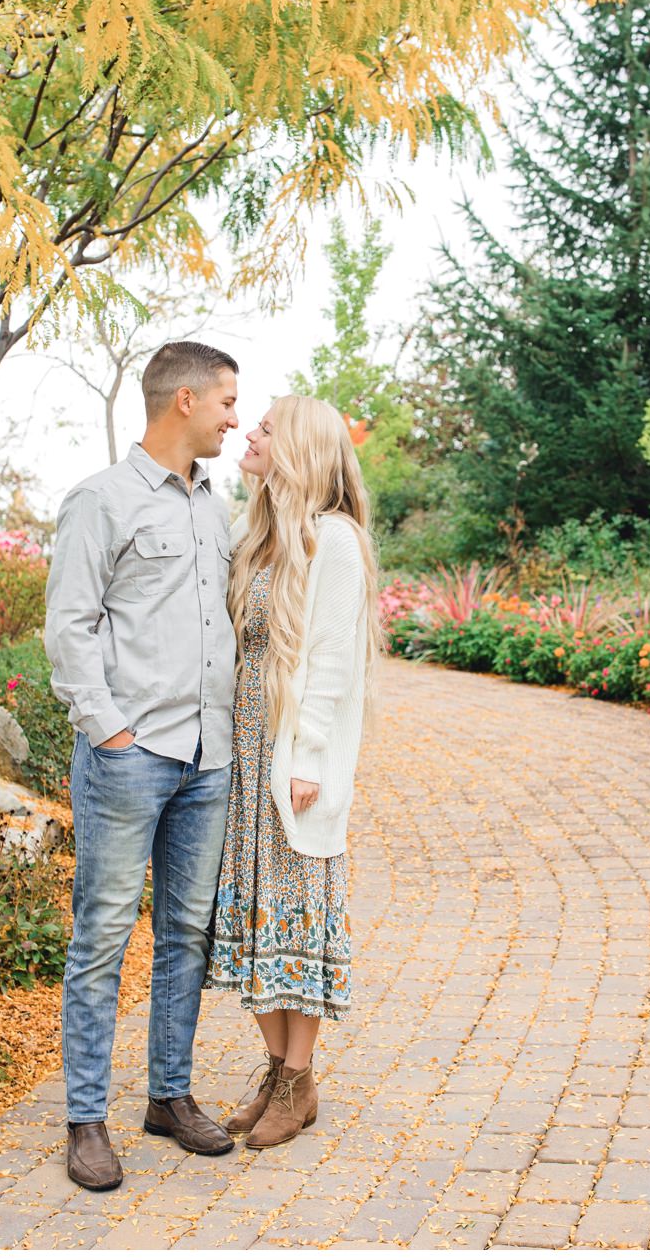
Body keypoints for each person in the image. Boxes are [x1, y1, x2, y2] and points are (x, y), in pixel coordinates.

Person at [42, 340, 242, 1191]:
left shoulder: (215, 507)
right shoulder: (102, 500)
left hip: (209, 758)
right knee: (103, 938)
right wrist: (110, 732)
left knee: (186, 936)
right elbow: (69, 627)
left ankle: (169, 1096)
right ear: (185, 401)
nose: (236, 416)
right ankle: (86, 1119)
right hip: (133, 758)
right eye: (228, 401)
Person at [204, 394, 379, 1150]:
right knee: (251, 925)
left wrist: (307, 756)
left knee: (297, 921)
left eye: (267, 428)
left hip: (289, 768)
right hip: (243, 762)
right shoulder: (261, 536)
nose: (249, 432)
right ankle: (278, 1075)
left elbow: (334, 659)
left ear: (299, 448)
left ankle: (299, 1081)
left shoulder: (332, 541)